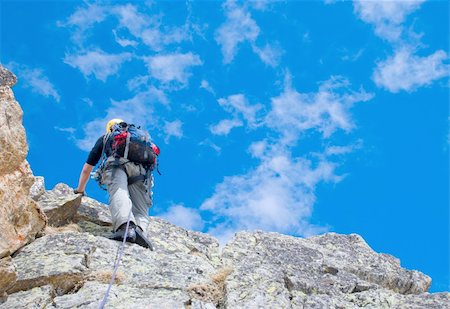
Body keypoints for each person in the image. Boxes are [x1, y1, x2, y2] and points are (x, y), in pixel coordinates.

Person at [74, 118, 154, 250]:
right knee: (141, 208)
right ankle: (140, 232)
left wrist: (80, 190)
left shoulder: (106, 138)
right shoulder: (139, 139)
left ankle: (126, 227)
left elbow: (87, 169)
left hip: (116, 166)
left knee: (119, 192)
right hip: (141, 172)